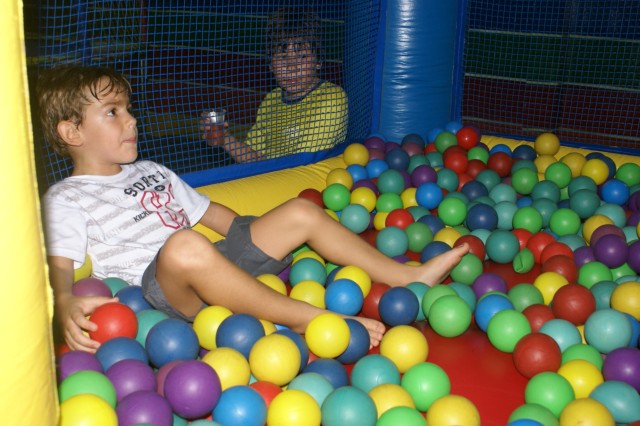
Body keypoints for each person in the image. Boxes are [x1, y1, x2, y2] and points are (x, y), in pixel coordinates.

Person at [38, 65, 469, 353]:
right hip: (162, 295)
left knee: (299, 211)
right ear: (71, 131)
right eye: (113, 112)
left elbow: (217, 215)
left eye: (128, 110)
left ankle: (407, 275)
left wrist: (265, 234)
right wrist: (63, 299)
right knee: (184, 245)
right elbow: (59, 264)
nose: (131, 120)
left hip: (214, 265)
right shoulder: (67, 197)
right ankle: (310, 318)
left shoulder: (152, 170)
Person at [202, 7, 348, 162]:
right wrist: (225, 139)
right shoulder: (271, 100)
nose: (292, 67)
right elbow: (254, 158)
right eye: (283, 57)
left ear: (318, 61)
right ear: (271, 64)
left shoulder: (332, 99)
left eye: (302, 56)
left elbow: (304, 164)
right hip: (273, 180)